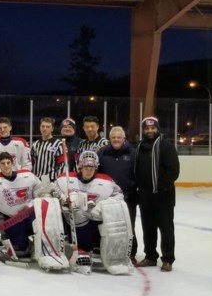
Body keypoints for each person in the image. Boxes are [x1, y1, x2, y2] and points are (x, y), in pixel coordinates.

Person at [53, 150, 127, 275]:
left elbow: (119, 196)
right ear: (80, 166)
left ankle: (95, 249)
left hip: (92, 221)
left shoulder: (106, 181)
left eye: (91, 167)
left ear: (96, 167)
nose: (89, 170)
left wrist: (102, 205)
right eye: (86, 167)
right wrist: (62, 198)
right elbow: (53, 189)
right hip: (69, 221)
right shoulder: (65, 178)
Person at [0, 152, 49, 260]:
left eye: (8, 162)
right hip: (11, 219)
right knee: (20, 252)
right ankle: (24, 243)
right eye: (3, 163)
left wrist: (46, 194)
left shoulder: (28, 175)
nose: (6, 166)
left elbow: (40, 192)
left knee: (44, 228)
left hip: (30, 215)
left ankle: (43, 246)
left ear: (12, 163)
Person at [133, 117, 180, 272]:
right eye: (147, 128)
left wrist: (160, 188)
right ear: (143, 130)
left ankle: (167, 259)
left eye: (153, 128)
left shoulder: (166, 147)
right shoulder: (140, 147)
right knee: (148, 228)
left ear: (158, 129)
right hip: (145, 195)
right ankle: (151, 256)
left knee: (166, 228)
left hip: (163, 196)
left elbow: (173, 171)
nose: (150, 131)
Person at [97, 126, 138, 264]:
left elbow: (138, 174)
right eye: (113, 137)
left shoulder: (133, 153)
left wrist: (135, 190)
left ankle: (131, 253)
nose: (116, 140)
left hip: (128, 197)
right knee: (108, 226)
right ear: (109, 139)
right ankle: (108, 250)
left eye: (119, 137)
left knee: (128, 226)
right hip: (107, 198)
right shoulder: (102, 153)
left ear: (124, 139)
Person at [30, 117, 64, 183]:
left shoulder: (58, 144)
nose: (45, 129)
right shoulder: (35, 144)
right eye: (43, 126)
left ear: (52, 129)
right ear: (40, 128)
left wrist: (57, 180)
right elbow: (31, 163)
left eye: (48, 127)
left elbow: (62, 165)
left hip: (52, 181)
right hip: (36, 180)